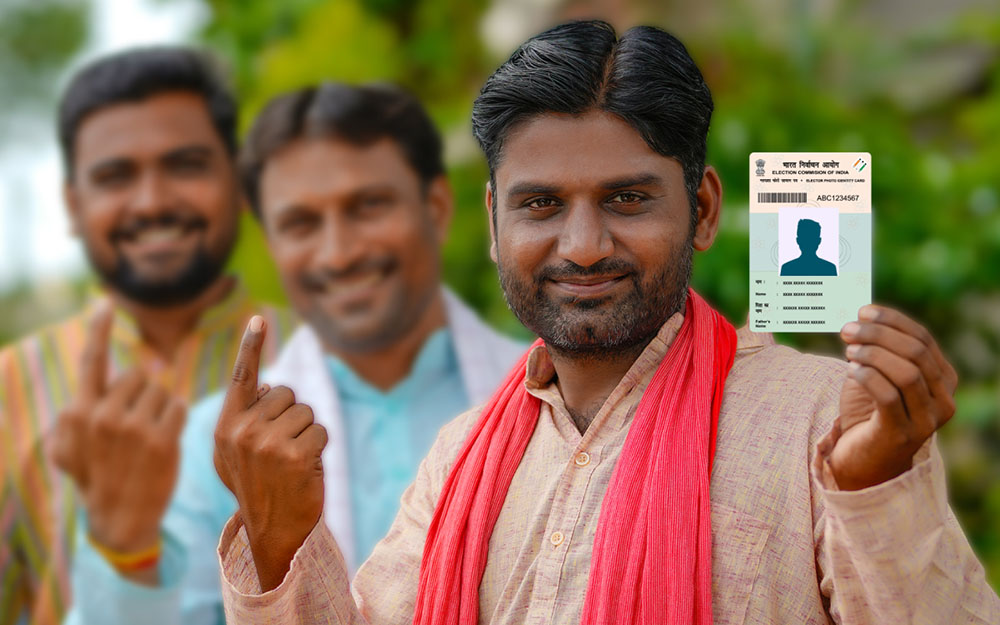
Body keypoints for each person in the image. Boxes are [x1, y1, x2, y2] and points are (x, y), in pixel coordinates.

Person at [213, 21, 999, 625]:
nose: (583, 246)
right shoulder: (456, 460)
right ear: (494, 224)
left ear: (702, 209)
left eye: (627, 199)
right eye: (541, 204)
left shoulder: (823, 424)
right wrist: (278, 536)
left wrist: (876, 491)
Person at [65, 83, 525, 624]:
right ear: (271, 242)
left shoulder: (560, 400)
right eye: (300, 224)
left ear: (438, 208)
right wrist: (123, 550)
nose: (339, 253)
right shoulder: (220, 447)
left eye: (369, 206)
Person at [0, 47, 295, 625]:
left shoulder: (331, 359)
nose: (153, 201)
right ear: (73, 206)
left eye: (185, 165)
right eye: (115, 176)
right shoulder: (11, 389)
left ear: (240, 181)